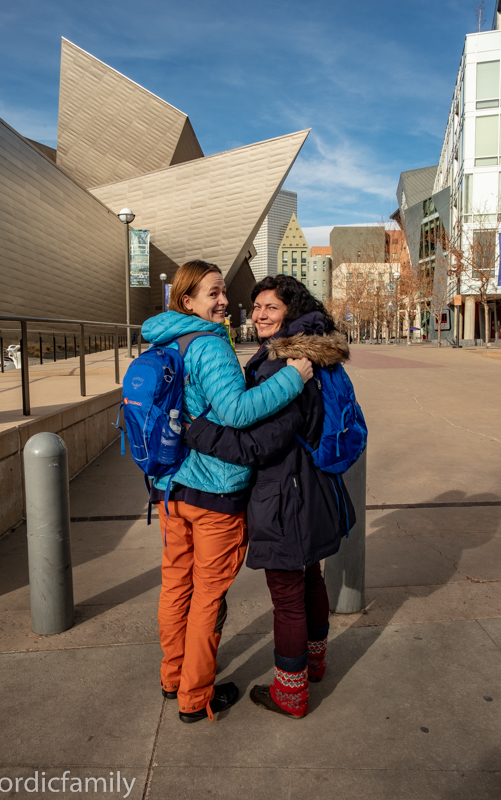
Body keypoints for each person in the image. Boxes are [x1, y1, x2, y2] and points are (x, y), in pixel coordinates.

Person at [141, 261, 313, 724]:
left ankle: (171, 676)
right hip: (213, 491)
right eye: (214, 293)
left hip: (170, 486)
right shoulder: (208, 344)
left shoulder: (166, 338)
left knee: (176, 586)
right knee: (206, 598)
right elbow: (236, 412)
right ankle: (195, 698)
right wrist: (293, 376)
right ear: (188, 301)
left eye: (222, 293)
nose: (223, 301)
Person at [185, 274, 355, 718]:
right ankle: (314, 663)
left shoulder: (286, 364)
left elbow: (257, 445)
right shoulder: (307, 351)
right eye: (257, 306)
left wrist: (197, 430)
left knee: (286, 596)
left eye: (271, 308)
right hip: (313, 487)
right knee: (310, 578)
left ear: (291, 313)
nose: (259, 314)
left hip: (286, 495)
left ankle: (291, 693)